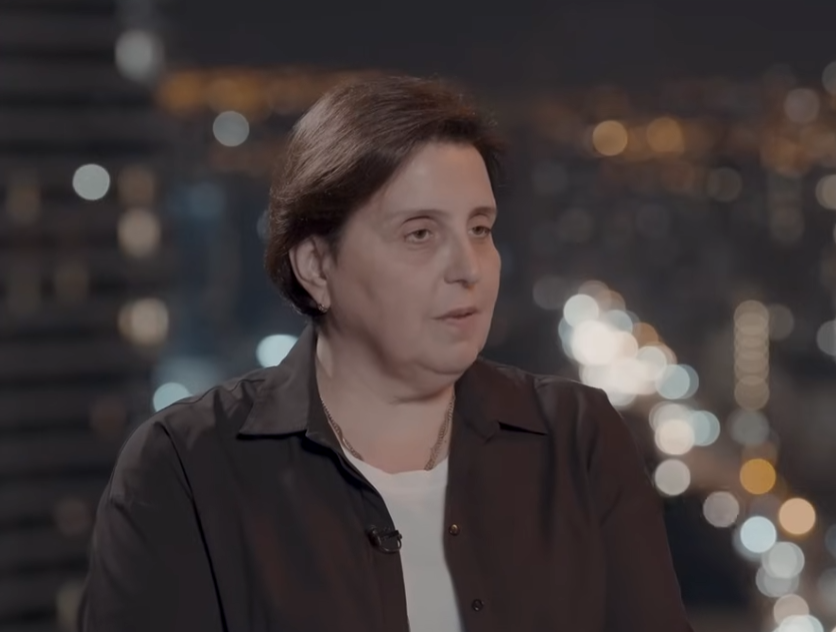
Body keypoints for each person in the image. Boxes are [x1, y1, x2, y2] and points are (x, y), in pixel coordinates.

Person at [78, 74, 693, 632]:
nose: (469, 267)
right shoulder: (184, 470)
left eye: (480, 229)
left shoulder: (579, 440)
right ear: (317, 266)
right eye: (420, 233)